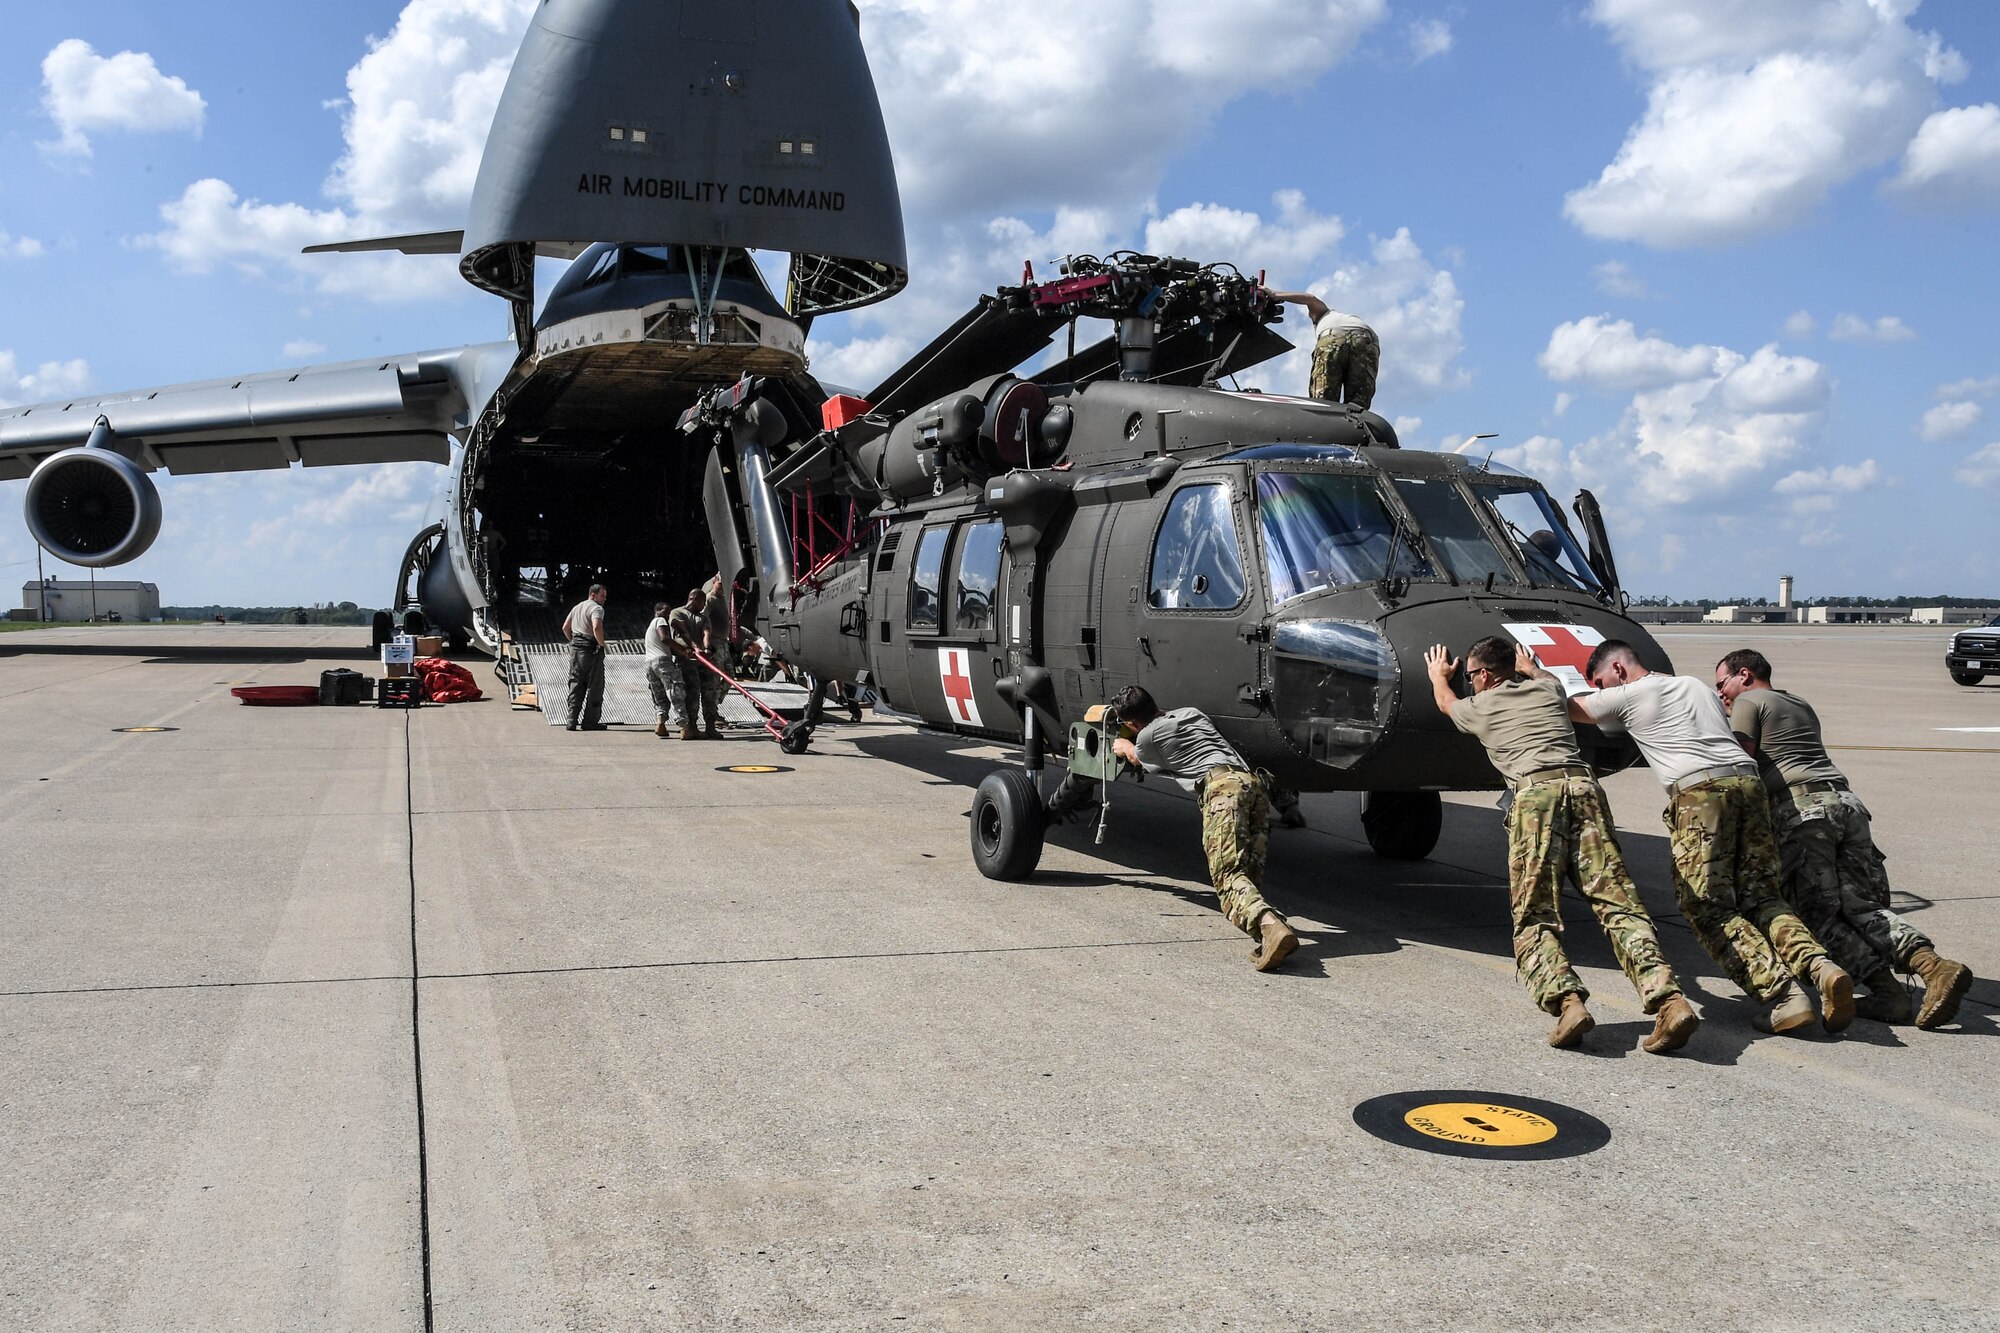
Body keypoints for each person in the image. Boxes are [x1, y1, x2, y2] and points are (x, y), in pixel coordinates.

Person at [1425, 638, 1698, 1053]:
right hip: (1584, 788)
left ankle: (1568, 1004)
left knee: (1534, 915)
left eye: (1471, 677)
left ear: (1482, 676)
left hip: (1536, 797)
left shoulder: (1481, 705)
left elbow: (1446, 704)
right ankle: (1670, 1000)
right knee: (1618, 903)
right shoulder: (1547, 689)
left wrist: (1437, 676)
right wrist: (1530, 669)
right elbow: (1549, 679)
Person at [1572, 641, 1852, 1035]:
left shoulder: (1628, 693)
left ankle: (1782, 996)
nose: (1602, 691)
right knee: (1762, 896)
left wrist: (1536, 676)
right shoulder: (1695, 685)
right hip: (1748, 784)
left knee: (1706, 905)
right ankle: (1821, 968)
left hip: (1701, 795)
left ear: (1617, 669)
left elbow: (1571, 708)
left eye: (1601, 682)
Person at [1716, 649, 1974, 1028]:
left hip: (1803, 811)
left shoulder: (1749, 701)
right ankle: (1913, 979)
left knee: (1815, 914)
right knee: (1858, 903)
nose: (1722, 693)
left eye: (1722, 684)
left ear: (1744, 674)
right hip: (1846, 804)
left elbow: (1743, 763)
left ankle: (1912, 979)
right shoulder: (1799, 703)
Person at [1107, 685, 1299, 972]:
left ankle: (1273, 927)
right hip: (1253, 786)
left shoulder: (1146, 737)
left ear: (1132, 724)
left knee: (1227, 874)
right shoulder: (1189, 713)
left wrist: (1124, 745)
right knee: (1247, 871)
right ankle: (1266, 935)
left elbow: (1138, 757)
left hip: (1222, 791)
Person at [1269, 290, 1378, 410]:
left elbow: (1309, 298)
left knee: (1323, 403)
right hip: (1366, 340)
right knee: (1358, 404)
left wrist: (1273, 294)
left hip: (1332, 338)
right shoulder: (1341, 317)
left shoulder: (1323, 313)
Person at [665, 587, 716, 741]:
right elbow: (682, 632)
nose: (704, 605)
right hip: (687, 659)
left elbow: (707, 632)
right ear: (693, 598)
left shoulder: (704, 617)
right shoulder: (677, 613)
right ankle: (692, 726)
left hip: (704, 659)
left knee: (710, 691)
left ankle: (710, 726)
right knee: (692, 692)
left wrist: (706, 648)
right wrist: (695, 648)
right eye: (702, 601)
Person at [559, 583, 608, 731]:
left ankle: (571, 720)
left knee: (576, 683)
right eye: (602, 596)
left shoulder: (577, 607)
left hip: (576, 649)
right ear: (593, 595)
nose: (604, 599)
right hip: (591, 649)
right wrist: (601, 645)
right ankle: (590, 722)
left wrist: (573, 641)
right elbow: (596, 627)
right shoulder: (597, 608)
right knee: (595, 686)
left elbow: (565, 627)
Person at [644, 601, 678, 738]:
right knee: (676, 691)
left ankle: (660, 722)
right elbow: (665, 639)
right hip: (662, 662)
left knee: (660, 698)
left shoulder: (649, 628)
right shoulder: (660, 621)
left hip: (649, 664)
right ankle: (684, 726)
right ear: (657, 612)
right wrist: (683, 650)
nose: (668, 615)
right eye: (666, 611)